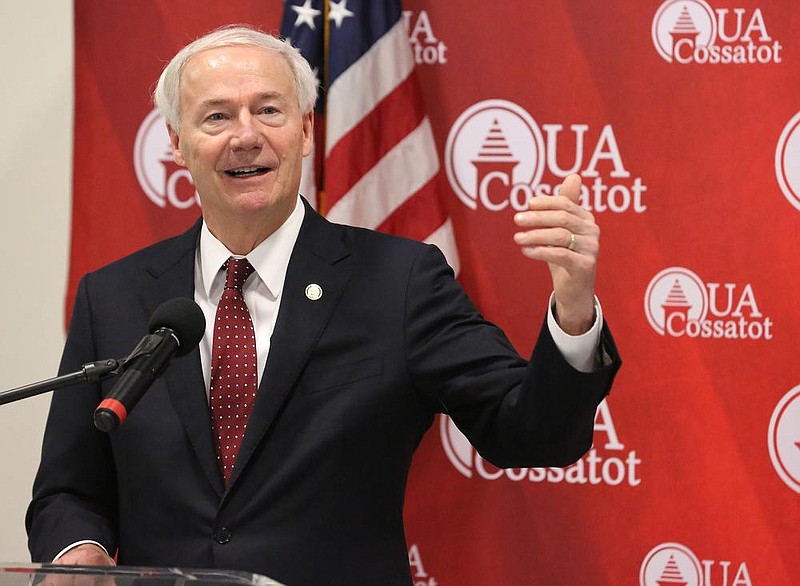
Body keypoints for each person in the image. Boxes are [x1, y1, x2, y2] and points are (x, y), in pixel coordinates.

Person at [27, 25, 621, 586]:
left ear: (305, 131)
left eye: (269, 110)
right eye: (216, 116)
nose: (246, 135)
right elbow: (67, 490)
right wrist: (79, 552)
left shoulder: (398, 281)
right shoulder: (113, 296)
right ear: (178, 145)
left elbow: (532, 433)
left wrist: (573, 307)